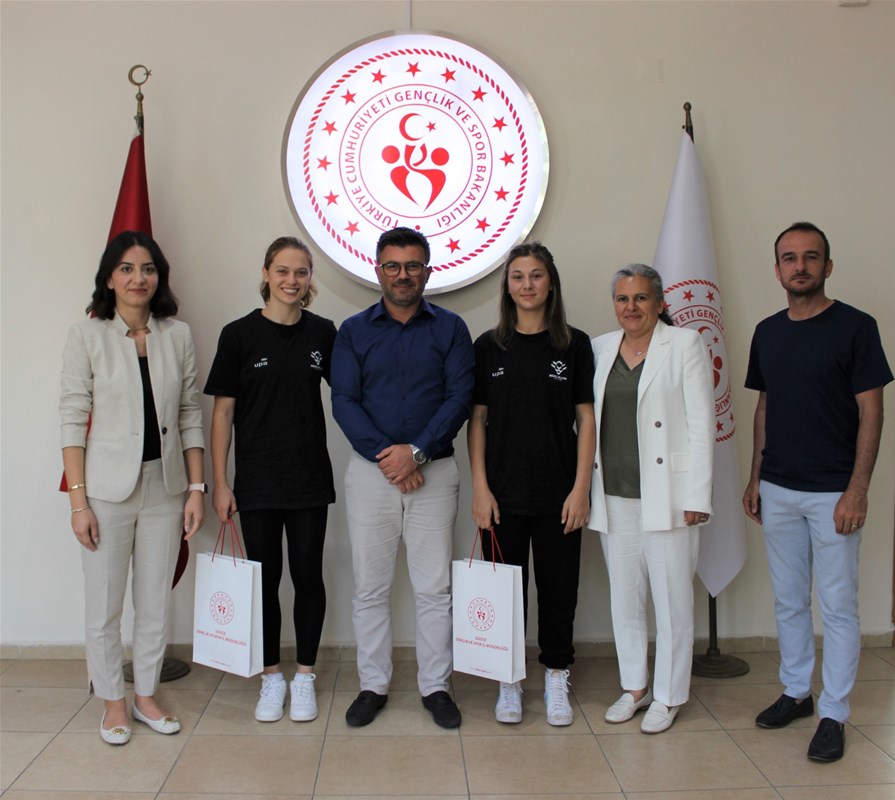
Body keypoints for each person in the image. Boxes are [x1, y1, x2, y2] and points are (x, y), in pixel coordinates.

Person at [743, 222, 892, 763]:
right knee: (788, 599)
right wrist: (756, 475)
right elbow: (765, 405)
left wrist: (858, 490)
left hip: (834, 492)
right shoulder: (767, 331)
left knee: (838, 606)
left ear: (827, 266)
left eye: (810, 257)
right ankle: (796, 692)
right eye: (789, 258)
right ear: (777, 269)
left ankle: (834, 713)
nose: (800, 266)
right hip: (779, 486)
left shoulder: (856, 327)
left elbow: (872, 412)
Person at [60, 231, 206, 745]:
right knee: (104, 605)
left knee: (154, 602)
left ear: (158, 277)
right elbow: (72, 419)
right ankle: (112, 703)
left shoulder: (178, 335)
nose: (137, 278)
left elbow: (189, 413)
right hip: (105, 492)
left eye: (147, 269)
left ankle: (145, 696)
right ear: (109, 277)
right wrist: (78, 502)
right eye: (126, 268)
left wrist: (196, 487)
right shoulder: (87, 335)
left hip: (165, 487)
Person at [331, 227, 474, 729]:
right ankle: (373, 685)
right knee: (370, 587)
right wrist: (390, 458)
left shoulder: (451, 328)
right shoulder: (353, 331)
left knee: (434, 588)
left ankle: (436, 687)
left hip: (434, 472)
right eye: (393, 266)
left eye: (413, 265)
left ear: (427, 271)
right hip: (371, 475)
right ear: (378, 271)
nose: (403, 275)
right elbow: (343, 400)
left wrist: (416, 452)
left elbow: (459, 397)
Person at [205, 237, 336, 724]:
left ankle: (304, 677)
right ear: (265, 274)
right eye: (282, 271)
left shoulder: (323, 332)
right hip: (256, 482)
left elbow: (351, 393)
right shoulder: (238, 335)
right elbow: (222, 414)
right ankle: (271, 676)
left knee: (307, 578)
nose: (291, 280)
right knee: (263, 582)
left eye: (301, 272)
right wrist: (221, 483)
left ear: (310, 279)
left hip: (309, 480)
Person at [468, 242, 595, 726]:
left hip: (560, 495)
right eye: (518, 276)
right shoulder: (489, 346)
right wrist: (481, 488)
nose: (527, 285)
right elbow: (477, 421)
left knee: (560, 591)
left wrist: (581, 488)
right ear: (507, 286)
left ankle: (557, 674)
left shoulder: (574, 344)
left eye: (536, 275)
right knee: (506, 593)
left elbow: (586, 419)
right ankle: (509, 679)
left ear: (551, 283)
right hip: (502, 496)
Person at [588, 264, 713, 735]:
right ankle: (635, 687)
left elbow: (702, 424)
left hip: (670, 496)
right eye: (623, 299)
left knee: (673, 601)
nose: (631, 307)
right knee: (626, 599)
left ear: (660, 303)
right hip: (613, 494)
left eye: (641, 298)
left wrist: (698, 493)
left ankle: (670, 695)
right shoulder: (600, 348)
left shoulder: (684, 344)